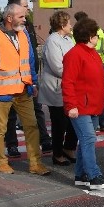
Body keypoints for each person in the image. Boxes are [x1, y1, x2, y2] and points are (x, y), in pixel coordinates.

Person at [0, 2, 51, 176]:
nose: (25, 20)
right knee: (0, 130)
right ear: (9, 18)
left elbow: (30, 62)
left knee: (32, 126)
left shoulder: (24, 34)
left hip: (23, 90)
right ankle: (1, 162)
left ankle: (35, 163)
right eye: (21, 16)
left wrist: (33, 83)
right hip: (1, 93)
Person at [62, 16, 104, 190]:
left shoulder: (93, 55)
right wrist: (71, 105)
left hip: (92, 106)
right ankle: (93, 175)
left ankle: (81, 174)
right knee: (89, 139)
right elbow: (68, 82)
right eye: (96, 35)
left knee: (86, 140)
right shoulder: (75, 55)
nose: (98, 38)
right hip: (80, 106)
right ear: (91, 36)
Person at [4, 0, 52, 153]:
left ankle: (44, 140)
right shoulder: (2, 29)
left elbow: (30, 54)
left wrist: (32, 78)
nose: (28, 9)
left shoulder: (27, 26)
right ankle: (11, 144)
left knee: (36, 110)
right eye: (25, 6)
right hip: (9, 81)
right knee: (10, 115)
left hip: (28, 77)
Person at [39, 10, 78, 166]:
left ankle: (68, 148)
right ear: (62, 24)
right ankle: (57, 154)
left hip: (69, 86)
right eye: (69, 22)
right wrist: (76, 75)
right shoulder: (52, 41)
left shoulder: (69, 39)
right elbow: (57, 67)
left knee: (73, 121)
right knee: (59, 123)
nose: (71, 25)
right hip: (56, 88)